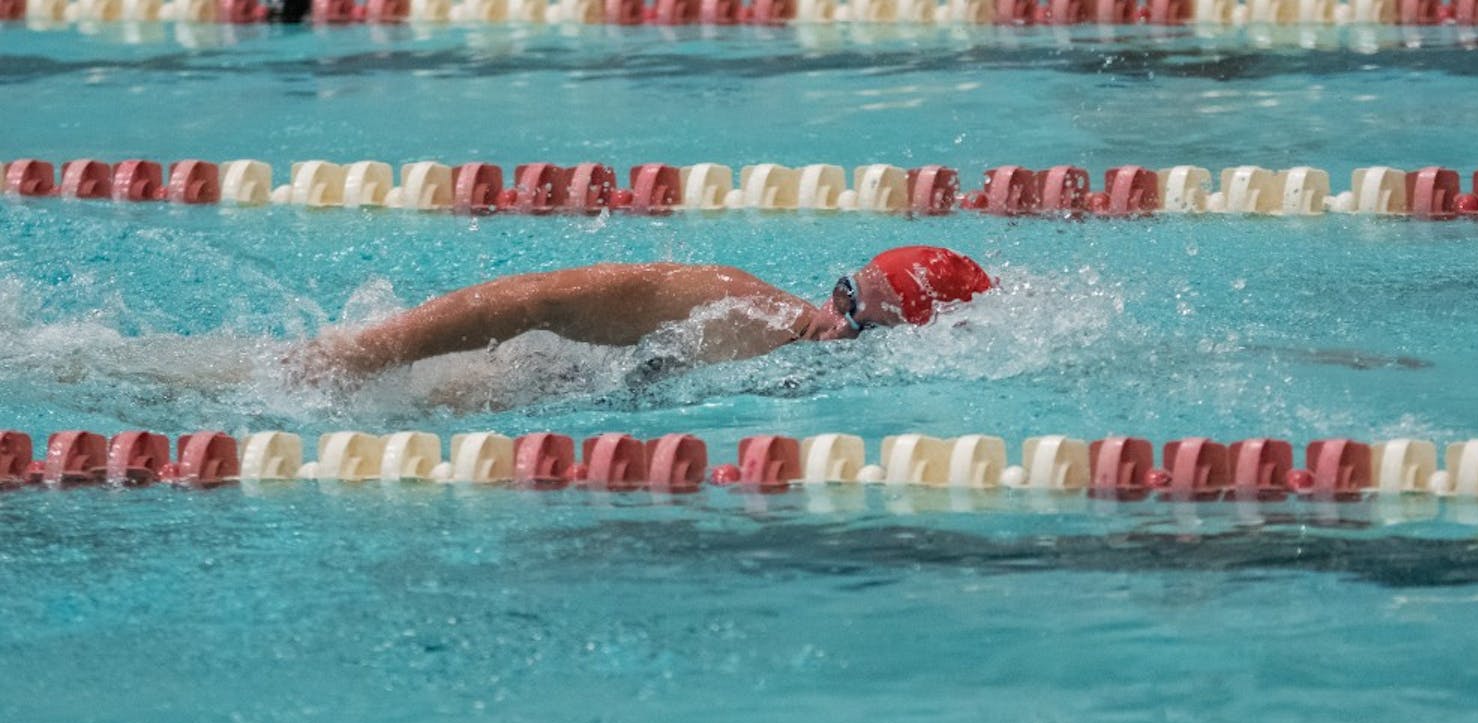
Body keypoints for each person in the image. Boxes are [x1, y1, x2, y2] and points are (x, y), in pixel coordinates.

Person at [294, 245, 993, 380]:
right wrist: (371, 352)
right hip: (465, 381)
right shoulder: (730, 304)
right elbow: (537, 298)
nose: (841, 330)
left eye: (867, 329)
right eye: (847, 303)